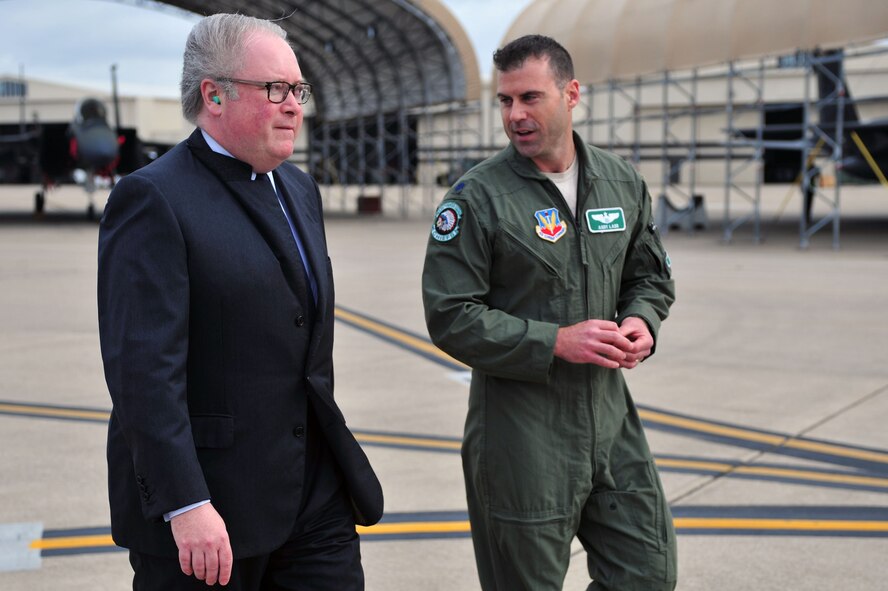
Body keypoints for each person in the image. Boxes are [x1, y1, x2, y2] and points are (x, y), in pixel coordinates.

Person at [97, 13, 382, 590]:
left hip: (312, 496)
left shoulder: (299, 189)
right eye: (276, 89)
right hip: (212, 514)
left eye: (298, 90)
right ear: (215, 95)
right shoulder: (153, 199)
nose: (295, 105)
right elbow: (142, 374)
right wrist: (185, 503)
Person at [422, 35, 677, 590]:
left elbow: (648, 275)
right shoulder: (476, 198)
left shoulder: (620, 182)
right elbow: (450, 313)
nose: (515, 115)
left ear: (571, 94)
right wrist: (554, 342)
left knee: (648, 573)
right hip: (522, 436)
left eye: (530, 98)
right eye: (505, 102)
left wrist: (642, 320)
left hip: (610, 419)